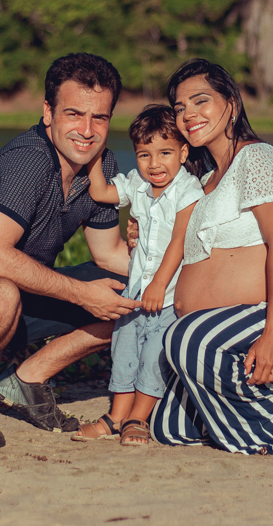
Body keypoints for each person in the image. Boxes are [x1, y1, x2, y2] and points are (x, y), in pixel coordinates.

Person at [0, 53, 138, 449]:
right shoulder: (29, 160)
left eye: (99, 118)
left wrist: (175, 276)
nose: (87, 131)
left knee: (131, 289)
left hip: (17, 294)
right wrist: (83, 294)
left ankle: (27, 379)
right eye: (74, 114)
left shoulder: (102, 167)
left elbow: (110, 255)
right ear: (48, 113)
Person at [150, 58, 273, 455]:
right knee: (168, 427)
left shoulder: (257, 159)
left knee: (185, 339)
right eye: (180, 107)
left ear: (231, 103)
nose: (188, 114)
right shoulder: (204, 182)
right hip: (223, 332)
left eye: (201, 101)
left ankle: (269, 428)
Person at [72, 105, 203, 447]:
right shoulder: (138, 184)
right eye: (144, 155)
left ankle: (138, 418)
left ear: (183, 153)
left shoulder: (188, 190)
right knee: (124, 350)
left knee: (154, 355)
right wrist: (95, 153)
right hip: (135, 292)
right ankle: (116, 416)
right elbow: (100, 192)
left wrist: (159, 284)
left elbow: (179, 240)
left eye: (165, 153)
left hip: (168, 295)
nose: (154, 164)